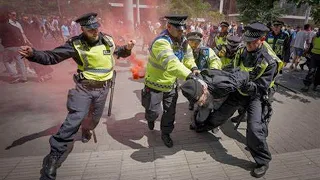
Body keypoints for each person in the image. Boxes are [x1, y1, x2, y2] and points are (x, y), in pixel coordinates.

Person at [19, 12, 135, 180]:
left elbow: (117, 53)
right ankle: (53, 156)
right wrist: (33, 54)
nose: (95, 32)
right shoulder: (75, 44)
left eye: (96, 28)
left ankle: (86, 129)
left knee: (93, 120)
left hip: (103, 89)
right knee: (75, 118)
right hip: (84, 89)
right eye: (90, 29)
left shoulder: (108, 40)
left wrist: (127, 49)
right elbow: (52, 56)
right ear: (83, 29)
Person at [182, 22, 281, 178]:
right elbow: (232, 70)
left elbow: (261, 87)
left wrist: (243, 82)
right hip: (238, 92)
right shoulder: (242, 50)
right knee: (220, 114)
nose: (247, 44)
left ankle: (262, 161)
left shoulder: (270, 62)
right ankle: (203, 126)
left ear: (262, 40)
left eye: (251, 42)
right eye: (246, 40)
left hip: (256, 96)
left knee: (255, 129)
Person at [141, 15, 199, 148]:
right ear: (168, 27)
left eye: (183, 29)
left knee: (169, 113)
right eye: (179, 30)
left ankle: (166, 134)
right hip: (154, 84)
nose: (182, 32)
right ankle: (150, 118)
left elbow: (188, 58)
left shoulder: (183, 41)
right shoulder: (161, 42)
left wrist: (194, 68)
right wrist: (188, 75)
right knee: (153, 112)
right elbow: (171, 63)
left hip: (171, 86)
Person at [186, 31, 222, 110]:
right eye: (191, 42)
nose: (194, 45)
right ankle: (191, 102)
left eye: (196, 43)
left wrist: (212, 70)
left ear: (200, 42)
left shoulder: (206, 51)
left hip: (204, 75)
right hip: (190, 75)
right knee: (190, 90)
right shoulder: (185, 52)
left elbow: (215, 60)